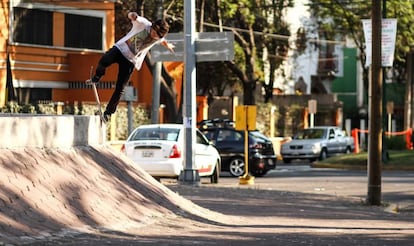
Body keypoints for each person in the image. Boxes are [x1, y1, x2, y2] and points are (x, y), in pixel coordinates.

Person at [86, 12, 175, 122]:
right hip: (120, 49)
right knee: (104, 61)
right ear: (152, 27)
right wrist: (132, 15)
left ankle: (108, 113)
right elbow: (134, 17)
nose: (153, 35)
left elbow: (163, 41)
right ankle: (97, 77)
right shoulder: (144, 24)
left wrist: (168, 45)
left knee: (120, 88)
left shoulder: (158, 37)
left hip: (130, 61)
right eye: (153, 32)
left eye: (157, 35)